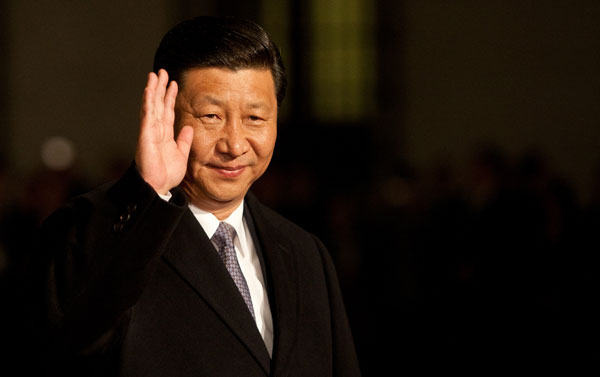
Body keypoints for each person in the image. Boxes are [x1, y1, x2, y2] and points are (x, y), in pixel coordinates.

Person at [37, 16, 360, 376]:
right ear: (165, 111)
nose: (235, 145)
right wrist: (150, 194)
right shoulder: (94, 230)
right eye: (211, 116)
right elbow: (66, 342)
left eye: (255, 118)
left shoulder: (305, 254)